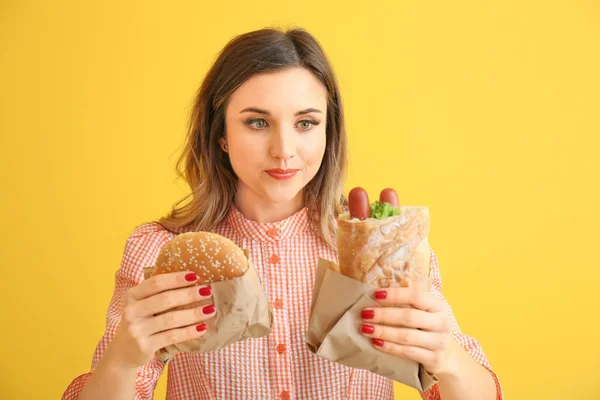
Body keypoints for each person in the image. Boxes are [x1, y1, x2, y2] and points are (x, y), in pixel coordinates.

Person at [62, 27, 503, 400]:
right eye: (257, 122)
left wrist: (444, 356)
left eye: (306, 123)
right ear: (220, 135)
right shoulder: (159, 250)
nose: (284, 150)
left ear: (328, 132)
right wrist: (122, 360)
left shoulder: (385, 246)